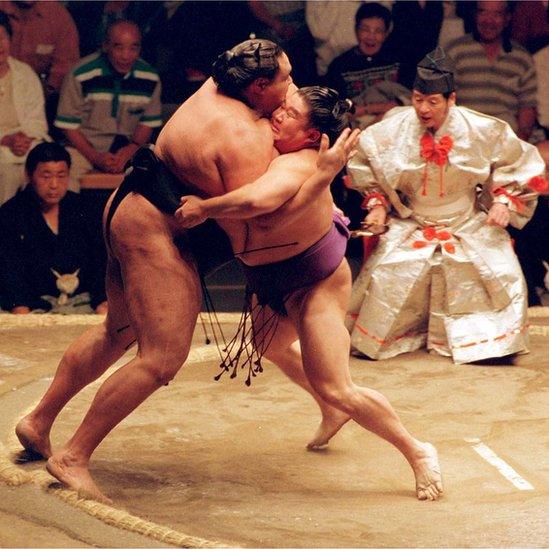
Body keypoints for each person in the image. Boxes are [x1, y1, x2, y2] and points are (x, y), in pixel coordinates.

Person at [14, 39, 346, 504]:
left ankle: (38, 421)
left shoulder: (218, 81)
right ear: (257, 87)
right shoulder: (241, 137)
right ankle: (73, 456)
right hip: (155, 232)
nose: (292, 88)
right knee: (161, 358)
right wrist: (320, 177)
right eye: (285, 80)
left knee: (117, 330)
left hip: (127, 205)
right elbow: (258, 221)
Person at [176, 87, 443, 501]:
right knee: (273, 345)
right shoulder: (279, 133)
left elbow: (257, 201)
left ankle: (417, 451)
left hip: (314, 277)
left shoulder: (300, 163)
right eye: (283, 105)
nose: (280, 114)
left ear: (311, 134)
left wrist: (205, 207)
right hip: (270, 278)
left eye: (291, 113)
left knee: (337, 385)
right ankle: (332, 410)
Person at [345, 47, 546, 364]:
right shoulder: (391, 129)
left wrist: (504, 201)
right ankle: (400, 336)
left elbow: (519, 163)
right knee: (387, 273)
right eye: (417, 99)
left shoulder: (481, 129)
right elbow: (365, 162)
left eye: (432, 101)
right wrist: (378, 204)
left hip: (467, 221)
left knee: (502, 271)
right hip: (414, 221)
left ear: (451, 99)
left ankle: (488, 342)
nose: (423, 108)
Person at [54, 19, 162, 191]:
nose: (126, 55)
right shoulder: (81, 74)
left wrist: (132, 148)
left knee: (158, 177)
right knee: (63, 176)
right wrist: (95, 157)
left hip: (129, 148)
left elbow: (147, 122)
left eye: (134, 48)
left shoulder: (149, 77)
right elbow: (68, 127)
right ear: (105, 46)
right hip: (83, 148)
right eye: (119, 47)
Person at [0, 142, 108, 314]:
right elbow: (10, 272)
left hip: (83, 301)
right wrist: (21, 314)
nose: (54, 185)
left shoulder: (82, 208)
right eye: (46, 176)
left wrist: (102, 302)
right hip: (34, 305)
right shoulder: (10, 214)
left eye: (61, 176)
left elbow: (99, 261)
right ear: (29, 175)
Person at [445, 1, 537, 142]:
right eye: (483, 12)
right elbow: (443, 102)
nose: (489, 20)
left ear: (507, 19)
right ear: (475, 15)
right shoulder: (455, 51)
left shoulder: (522, 58)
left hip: (507, 140)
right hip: (465, 139)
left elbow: (527, 108)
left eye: (497, 14)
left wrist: (519, 143)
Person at [325, 3, 409, 130]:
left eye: (378, 31)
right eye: (365, 29)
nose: (371, 37)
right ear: (356, 30)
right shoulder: (339, 65)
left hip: (396, 122)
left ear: (386, 34)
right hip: (358, 126)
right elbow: (335, 109)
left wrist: (371, 110)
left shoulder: (399, 59)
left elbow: (409, 97)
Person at [0, 12, 48, 205]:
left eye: (3, 37)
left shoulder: (25, 73)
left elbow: (37, 121)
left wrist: (24, 138)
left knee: (46, 166)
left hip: (25, 143)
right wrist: (6, 139)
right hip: (2, 145)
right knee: (6, 172)